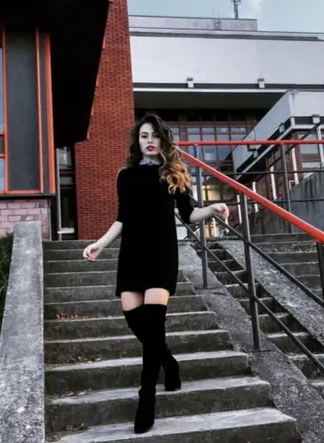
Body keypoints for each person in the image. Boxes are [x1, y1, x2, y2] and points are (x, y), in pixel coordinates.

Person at [83, 114, 229, 435]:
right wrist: (100, 244)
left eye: (155, 135)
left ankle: (146, 399)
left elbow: (189, 214)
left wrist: (212, 209)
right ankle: (170, 363)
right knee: (136, 320)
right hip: (132, 254)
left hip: (161, 253)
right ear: (137, 141)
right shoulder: (125, 176)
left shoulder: (172, 173)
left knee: (153, 323)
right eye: (144, 136)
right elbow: (122, 218)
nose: (150, 141)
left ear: (163, 140)